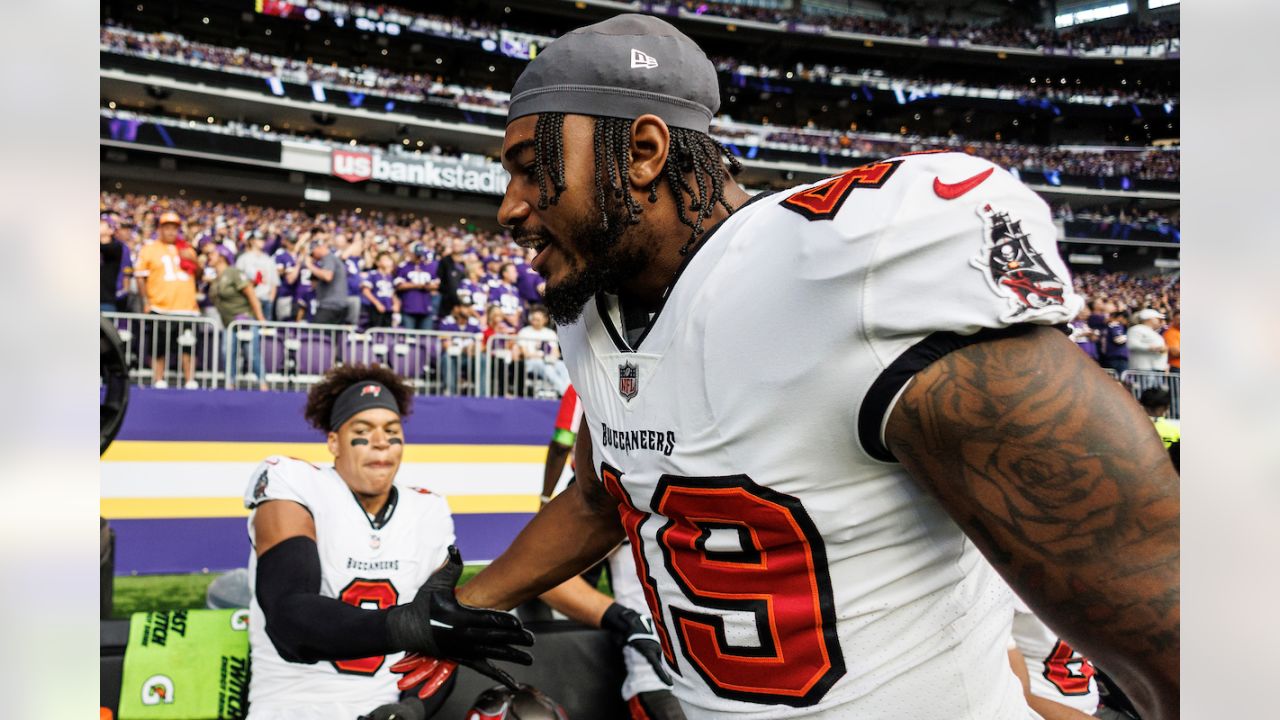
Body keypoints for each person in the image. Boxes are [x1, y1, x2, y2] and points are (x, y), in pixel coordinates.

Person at [397, 15, 1178, 720]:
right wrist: (464, 605)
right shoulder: (598, 315)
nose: (509, 205)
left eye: (532, 167)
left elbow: (1154, 590)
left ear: (642, 153)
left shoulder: (848, 271)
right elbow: (608, 496)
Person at [243, 365, 532, 720]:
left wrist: (411, 709)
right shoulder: (294, 483)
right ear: (333, 441)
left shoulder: (428, 509)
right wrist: (407, 625)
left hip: (384, 708)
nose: (380, 441)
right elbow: (289, 622)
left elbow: (439, 638)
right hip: (293, 707)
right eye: (363, 431)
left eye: (391, 431)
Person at [533, 385, 685, 719]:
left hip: (716, 679)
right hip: (668, 676)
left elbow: (561, 443)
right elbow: (547, 581)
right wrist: (625, 620)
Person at [134, 210, 200, 389]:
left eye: (174, 228)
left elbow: (199, 275)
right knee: (159, 345)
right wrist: (146, 301)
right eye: (167, 228)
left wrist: (195, 261)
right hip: (160, 305)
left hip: (187, 306)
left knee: (189, 345)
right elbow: (140, 276)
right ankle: (159, 378)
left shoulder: (186, 248)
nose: (171, 232)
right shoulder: (149, 249)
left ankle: (189, 379)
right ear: (160, 229)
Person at [208, 245, 270, 391]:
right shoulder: (216, 278)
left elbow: (251, 294)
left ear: (222, 256)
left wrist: (261, 318)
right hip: (229, 323)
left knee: (251, 353)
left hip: (245, 320)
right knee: (227, 352)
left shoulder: (233, 272)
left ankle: (263, 384)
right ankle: (230, 384)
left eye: (212, 254)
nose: (209, 256)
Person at [515, 306, 571, 397]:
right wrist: (543, 357)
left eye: (538, 319)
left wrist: (551, 358)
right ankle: (565, 393)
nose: (535, 321)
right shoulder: (524, 332)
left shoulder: (550, 333)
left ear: (544, 320)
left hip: (548, 360)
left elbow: (556, 352)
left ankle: (569, 390)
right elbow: (526, 354)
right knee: (547, 369)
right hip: (532, 362)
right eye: (534, 319)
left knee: (563, 366)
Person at [236, 231, 280, 321]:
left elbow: (274, 282)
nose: (263, 241)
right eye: (260, 239)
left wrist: (270, 300)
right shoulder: (243, 259)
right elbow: (237, 280)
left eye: (264, 239)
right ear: (252, 241)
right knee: (251, 332)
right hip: (248, 301)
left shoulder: (268, 259)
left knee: (265, 333)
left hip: (265, 300)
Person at [306, 238, 350, 325]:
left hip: (329, 306)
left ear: (318, 248)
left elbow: (327, 276)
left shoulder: (328, 258)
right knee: (332, 337)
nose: (313, 257)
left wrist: (309, 265)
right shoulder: (333, 259)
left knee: (318, 336)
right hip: (338, 305)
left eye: (312, 253)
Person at [395, 243, 438, 330]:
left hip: (426, 306)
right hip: (409, 306)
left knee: (426, 339)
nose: (419, 258)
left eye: (420, 255)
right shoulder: (404, 266)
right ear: (411, 254)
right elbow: (399, 285)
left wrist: (415, 285)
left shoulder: (429, 267)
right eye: (417, 255)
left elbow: (436, 285)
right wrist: (421, 285)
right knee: (409, 339)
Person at [362, 251, 401, 329]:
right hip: (376, 309)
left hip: (388, 308)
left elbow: (392, 293)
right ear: (378, 262)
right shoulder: (373, 274)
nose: (388, 262)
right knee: (376, 331)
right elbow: (365, 291)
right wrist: (377, 303)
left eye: (389, 259)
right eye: (385, 259)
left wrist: (396, 303)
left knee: (387, 334)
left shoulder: (390, 276)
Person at [100, 216, 126, 312]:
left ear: (111, 230)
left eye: (102, 224)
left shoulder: (116, 247)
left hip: (105, 301)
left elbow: (106, 249)